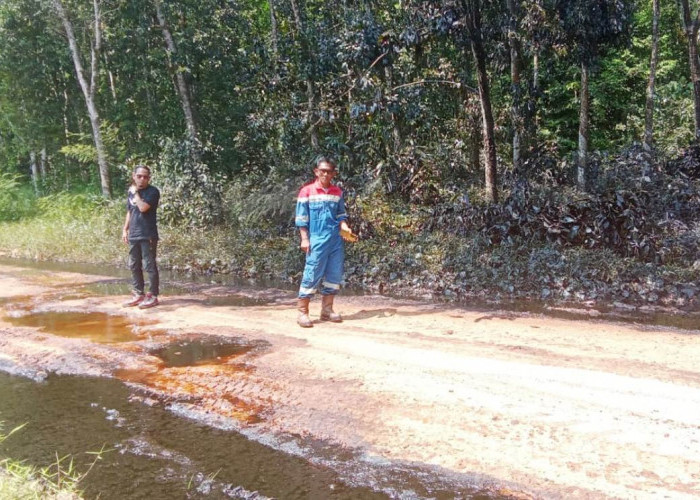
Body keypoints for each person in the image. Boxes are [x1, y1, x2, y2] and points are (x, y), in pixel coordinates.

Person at [295, 156, 355, 328]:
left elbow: (340, 215)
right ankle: (302, 313)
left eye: (329, 172)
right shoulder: (306, 192)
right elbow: (301, 218)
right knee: (312, 273)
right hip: (316, 240)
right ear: (316, 172)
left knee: (334, 275)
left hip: (335, 240)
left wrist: (345, 227)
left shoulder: (337, 192)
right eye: (322, 171)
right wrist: (304, 239)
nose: (326, 174)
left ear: (333, 173)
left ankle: (327, 310)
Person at [122, 165, 160, 309]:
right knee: (134, 264)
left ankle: (153, 295)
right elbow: (130, 211)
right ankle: (139, 294)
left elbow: (143, 208)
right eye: (139, 176)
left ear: (149, 178)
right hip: (134, 234)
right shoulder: (131, 192)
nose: (142, 179)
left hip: (148, 234)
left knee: (149, 265)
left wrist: (136, 193)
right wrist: (125, 229)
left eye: (145, 177)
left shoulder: (153, 191)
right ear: (134, 176)